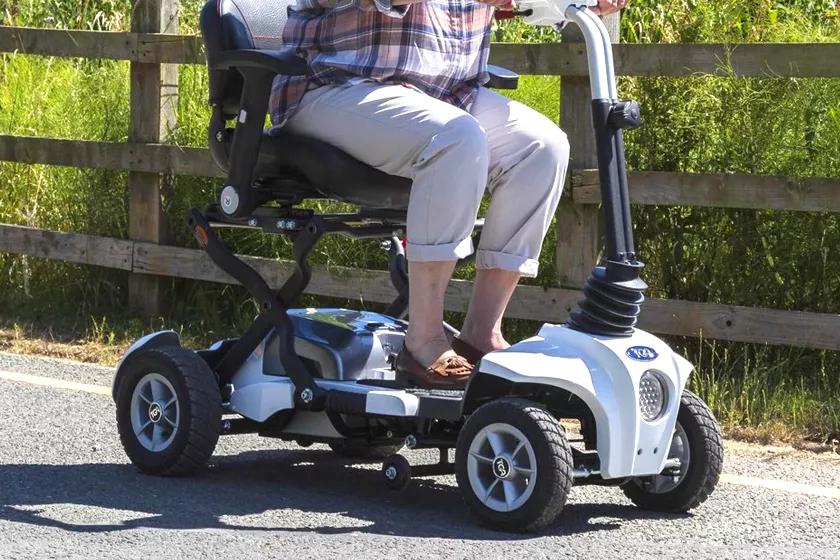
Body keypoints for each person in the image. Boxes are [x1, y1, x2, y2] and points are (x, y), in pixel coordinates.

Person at [270, 0, 627, 388]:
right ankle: (422, 341)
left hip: (442, 93)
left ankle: (480, 335)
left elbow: (526, 7)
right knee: (456, 137)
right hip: (335, 85)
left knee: (542, 148)